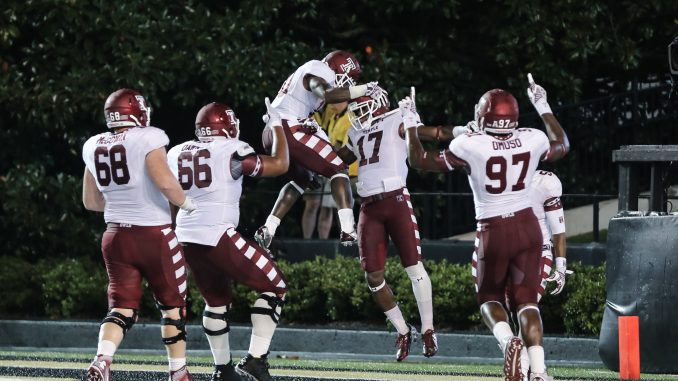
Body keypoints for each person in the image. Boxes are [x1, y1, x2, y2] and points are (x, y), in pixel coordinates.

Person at [403, 73, 570, 381]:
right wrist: (543, 104)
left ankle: (509, 343)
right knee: (528, 302)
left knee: (489, 298)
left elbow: (419, 160)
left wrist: (411, 123)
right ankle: (540, 372)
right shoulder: (533, 138)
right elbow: (562, 145)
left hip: (494, 229)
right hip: (529, 228)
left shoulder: (470, 144)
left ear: (484, 117)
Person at [167, 99, 289, 381]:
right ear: (227, 125)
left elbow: (171, 195)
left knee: (216, 300)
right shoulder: (231, 150)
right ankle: (255, 360)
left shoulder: (176, 152)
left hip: (186, 236)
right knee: (275, 286)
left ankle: (222, 369)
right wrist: (278, 126)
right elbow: (280, 164)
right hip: (217, 234)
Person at [81, 88, 197, 381]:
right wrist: (187, 204)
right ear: (138, 112)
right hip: (153, 235)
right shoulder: (149, 137)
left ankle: (103, 359)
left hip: (115, 235)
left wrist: (123, 199)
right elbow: (165, 182)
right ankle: (178, 372)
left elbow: (91, 202)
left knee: (121, 307)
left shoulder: (93, 144)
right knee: (173, 308)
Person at [334, 90, 438, 362]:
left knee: (414, 267)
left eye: (362, 107)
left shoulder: (396, 119)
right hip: (369, 206)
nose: (358, 114)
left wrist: (464, 131)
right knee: (373, 277)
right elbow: (335, 159)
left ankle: (428, 329)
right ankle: (404, 330)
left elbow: (431, 134)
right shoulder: (356, 133)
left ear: (379, 103)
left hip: (395, 200)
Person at [256, 50, 384, 248]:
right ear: (338, 69)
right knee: (338, 169)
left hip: (272, 131)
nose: (346, 83)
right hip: (289, 127)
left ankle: (268, 228)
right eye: (348, 78)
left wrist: (356, 147)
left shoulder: (310, 75)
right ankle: (348, 229)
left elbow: (334, 150)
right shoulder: (320, 70)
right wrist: (364, 89)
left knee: (303, 179)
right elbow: (327, 94)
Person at [301, 100, 356, 239]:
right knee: (324, 208)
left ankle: (348, 246)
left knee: (342, 208)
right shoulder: (333, 117)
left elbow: (340, 147)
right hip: (325, 167)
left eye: (335, 101)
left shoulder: (349, 117)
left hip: (340, 169)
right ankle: (321, 247)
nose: (331, 104)